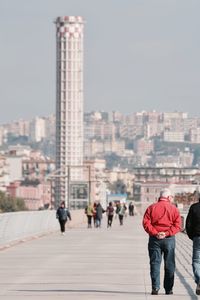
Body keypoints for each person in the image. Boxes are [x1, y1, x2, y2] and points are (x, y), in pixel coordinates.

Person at [142, 188, 181, 295]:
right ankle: (168, 289)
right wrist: (166, 233)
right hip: (169, 239)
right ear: (168, 197)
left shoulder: (151, 207)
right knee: (170, 264)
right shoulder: (174, 209)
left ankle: (155, 288)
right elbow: (177, 226)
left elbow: (146, 223)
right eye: (171, 197)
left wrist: (155, 233)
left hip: (154, 239)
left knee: (155, 263)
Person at [186, 196, 200, 295]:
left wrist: (192, 236)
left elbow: (188, 224)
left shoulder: (194, 207)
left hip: (197, 237)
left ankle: (199, 280)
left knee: (196, 261)